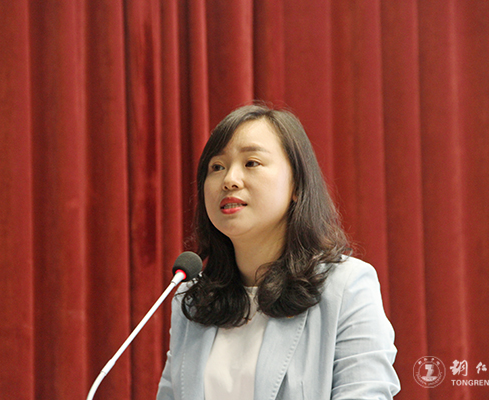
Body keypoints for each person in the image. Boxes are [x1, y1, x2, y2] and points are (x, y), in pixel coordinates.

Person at [157, 104, 400, 400]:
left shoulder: (346, 287)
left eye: (251, 163)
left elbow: (365, 392)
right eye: (217, 167)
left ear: (296, 185)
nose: (229, 180)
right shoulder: (194, 299)